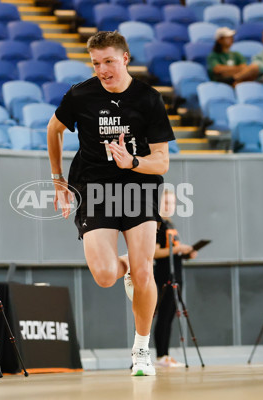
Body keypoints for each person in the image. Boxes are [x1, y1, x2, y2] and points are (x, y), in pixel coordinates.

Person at [47, 31, 175, 376]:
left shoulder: (148, 99)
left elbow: (161, 162)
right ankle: (129, 264)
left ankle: (141, 350)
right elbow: (54, 129)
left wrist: (131, 162)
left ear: (125, 59)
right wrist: (58, 179)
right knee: (105, 276)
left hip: (138, 186)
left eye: (108, 62)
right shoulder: (80, 95)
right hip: (94, 187)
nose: (102, 69)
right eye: (95, 63)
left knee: (145, 270)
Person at [153, 189, 197, 368]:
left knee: (170, 315)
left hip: (176, 275)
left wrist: (187, 253)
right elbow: (155, 252)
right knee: (163, 315)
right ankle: (160, 355)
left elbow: (174, 251)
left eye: (171, 203)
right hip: (164, 276)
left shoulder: (171, 224)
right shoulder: (158, 225)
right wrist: (178, 250)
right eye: (166, 202)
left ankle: (166, 354)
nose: (169, 206)